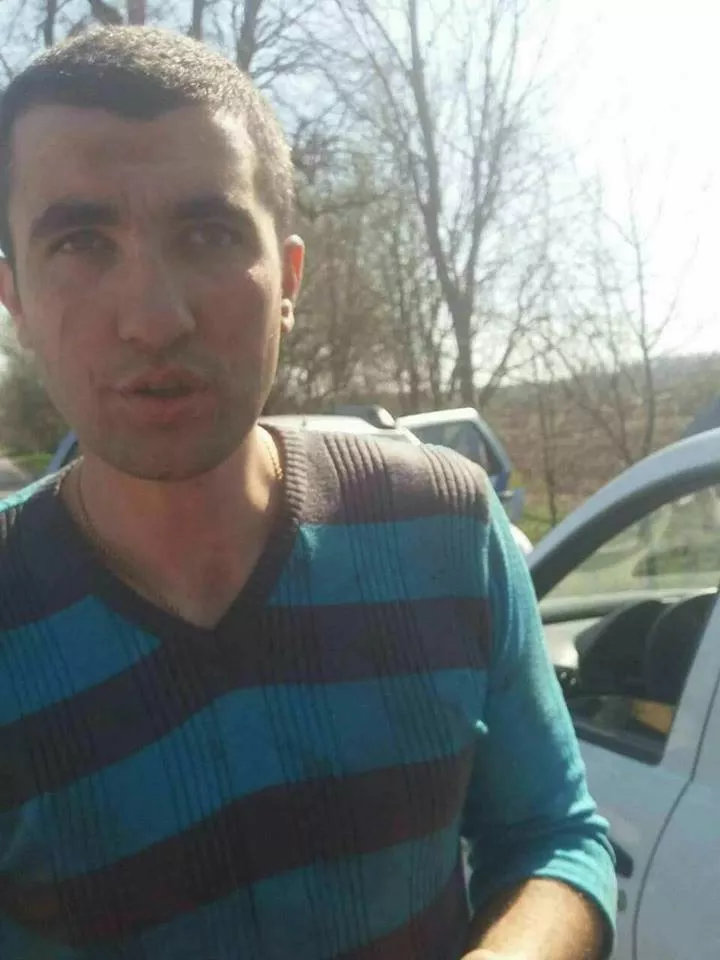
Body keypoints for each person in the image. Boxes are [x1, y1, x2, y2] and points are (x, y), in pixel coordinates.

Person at [0, 26, 616, 960]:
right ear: (14, 299)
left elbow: (554, 837)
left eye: (208, 234)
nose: (155, 318)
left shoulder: (444, 527)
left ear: (288, 280)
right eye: (82, 242)